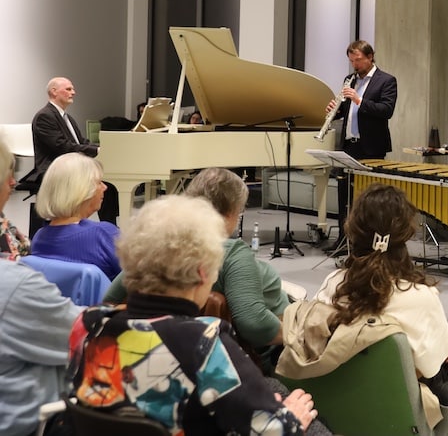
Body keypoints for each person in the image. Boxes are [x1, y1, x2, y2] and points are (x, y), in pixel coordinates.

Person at [278, 184, 448, 436]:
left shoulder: (334, 282)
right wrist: (447, 346)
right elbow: (432, 366)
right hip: (405, 403)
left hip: (348, 393)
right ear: (404, 236)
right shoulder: (418, 297)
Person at [67, 195, 325, 435]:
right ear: (202, 272)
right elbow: (272, 430)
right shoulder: (204, 343)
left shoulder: (88, 323)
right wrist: (290, 417)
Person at [104, 167, 289, 359]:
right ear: (230, 213)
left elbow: (110, 301)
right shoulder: (232, 253)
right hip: (259, 351)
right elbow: (255, 324)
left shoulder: (157, 246)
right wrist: (296, 336)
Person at [0, 138, 82, 436]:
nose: (13, 182)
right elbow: (81, 334)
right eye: (7, 174)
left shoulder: (39, 239)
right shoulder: (16, 282)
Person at [325, 40, 398, 250]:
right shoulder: (349, 79)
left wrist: (358, 100)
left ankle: (366, 242)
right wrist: (334, 109)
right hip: (349, 145)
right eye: (351, 61)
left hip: (372, 147)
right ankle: (343, 240)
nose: (354, 65)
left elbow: (386, 110)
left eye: (358, 60)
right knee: (344, 194)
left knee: (370, 198)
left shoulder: (386, 81)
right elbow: (345, 110)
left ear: (370, 57)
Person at [23, 77, 118, 232]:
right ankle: (109, 230)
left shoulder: (67, 118)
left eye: (72, 89)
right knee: (105, 186)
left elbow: (81, 141)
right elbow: (62, 147)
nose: (73, 92)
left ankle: (110, 228)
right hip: (53, 168)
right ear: (54, 92)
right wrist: (96, 151)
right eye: (68, 89)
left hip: (69, 164)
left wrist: (101, 147)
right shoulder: (44, 116)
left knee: (109, 187)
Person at [31, 152, 121, 279]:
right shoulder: (103, 234)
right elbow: (142, 278)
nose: (104, 187)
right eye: (99, 182)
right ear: (82, 190)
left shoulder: (39, 238)